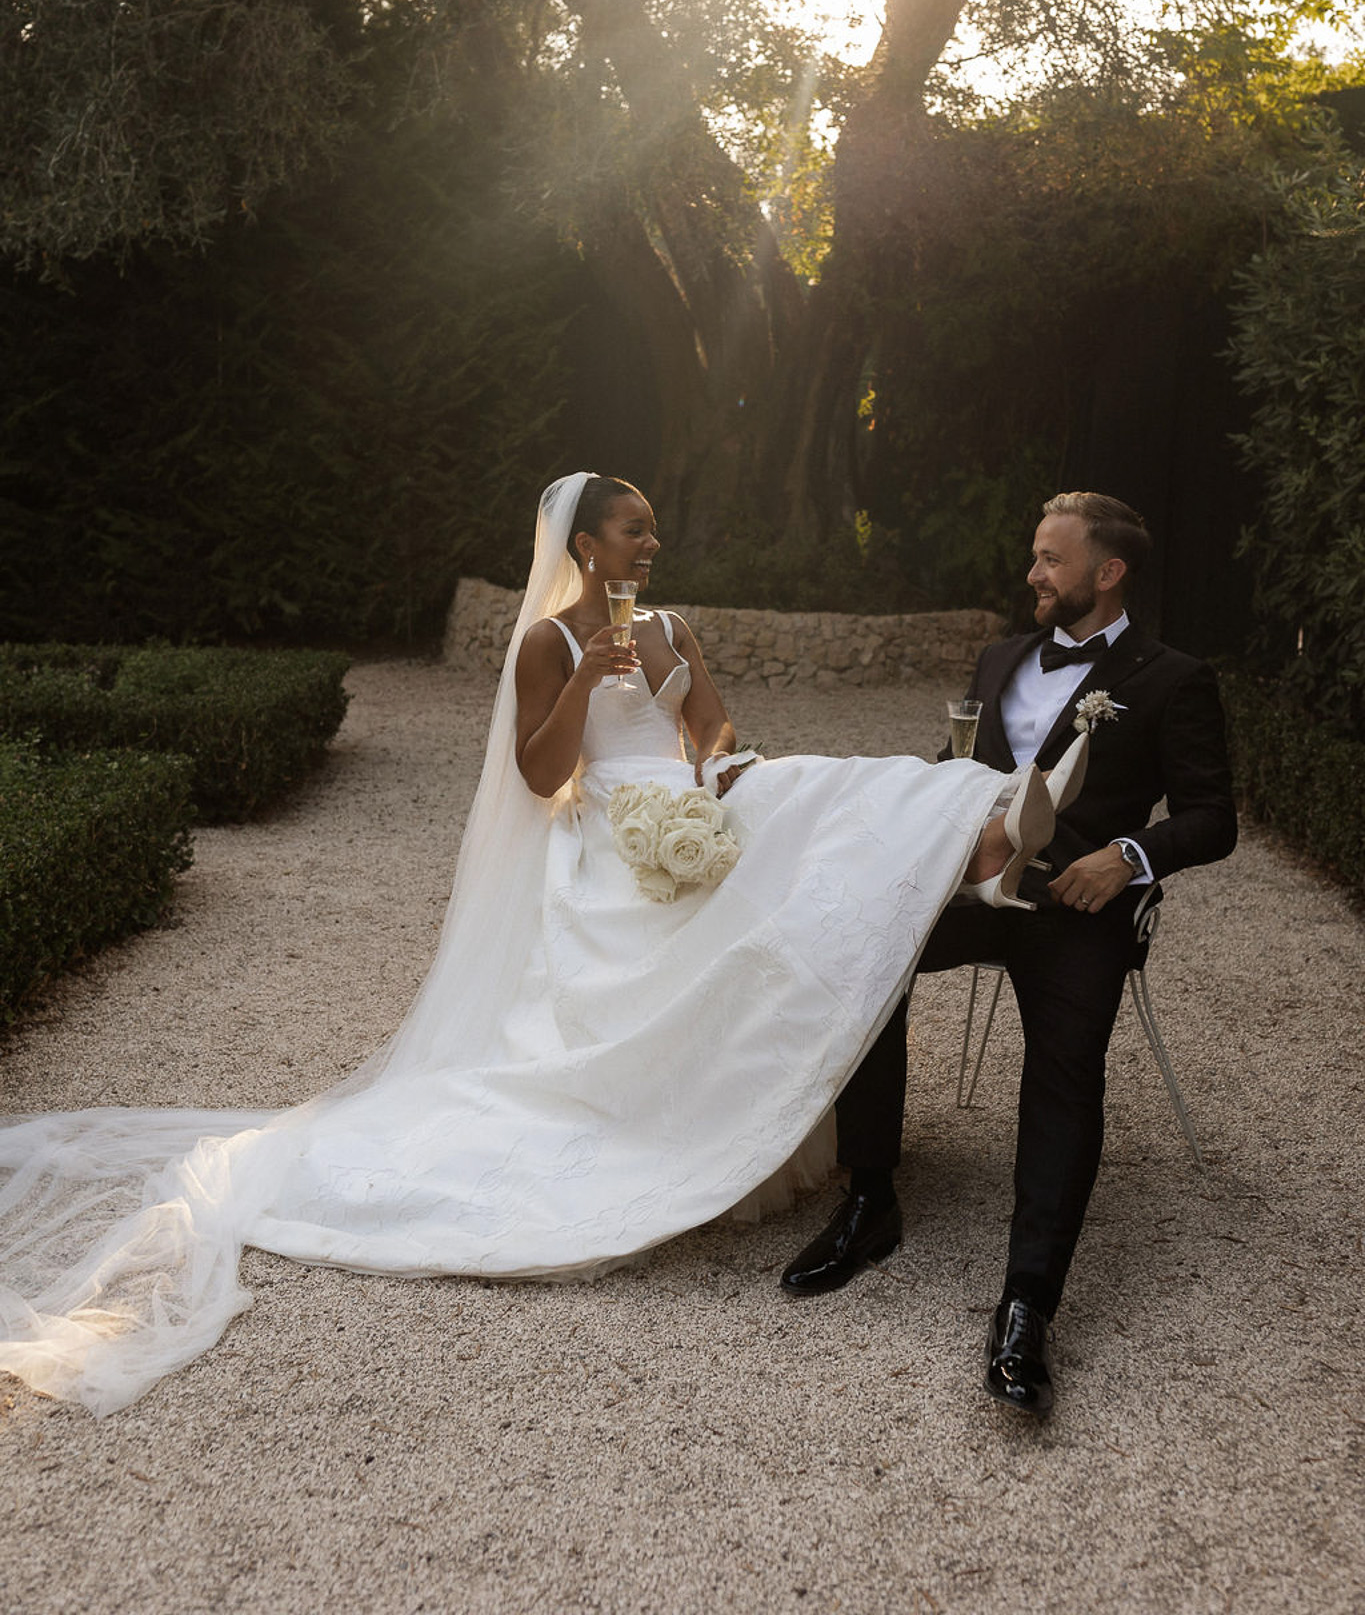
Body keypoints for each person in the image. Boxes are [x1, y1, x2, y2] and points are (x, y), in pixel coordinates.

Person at [0, 470, 1067, 1417]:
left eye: (654, 530)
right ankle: (971, 844)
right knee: (773, 863)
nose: (650, 545)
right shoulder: (545, 643)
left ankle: (978, 825)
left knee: (797, 783)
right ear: (585, 546)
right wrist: (592, 682)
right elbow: (538, 773)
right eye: (633, 531)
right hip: (608, 833)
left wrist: (713, 768)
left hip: (691, 809)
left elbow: (718, 729)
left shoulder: (676, 626)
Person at [781, 491, 1238, 1418]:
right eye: (1034, 557)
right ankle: (871, 1198)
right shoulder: (998, 659)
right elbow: (950, 775)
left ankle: (1028, 1301)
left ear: (1106, 574)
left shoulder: (1170, 677)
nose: (1032, 575)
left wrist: (1130, 858)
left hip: (1078, 905)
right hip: (973, 893)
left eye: (1050, 560)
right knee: (866, 959)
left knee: (1065, 1074)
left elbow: (1213, 817)